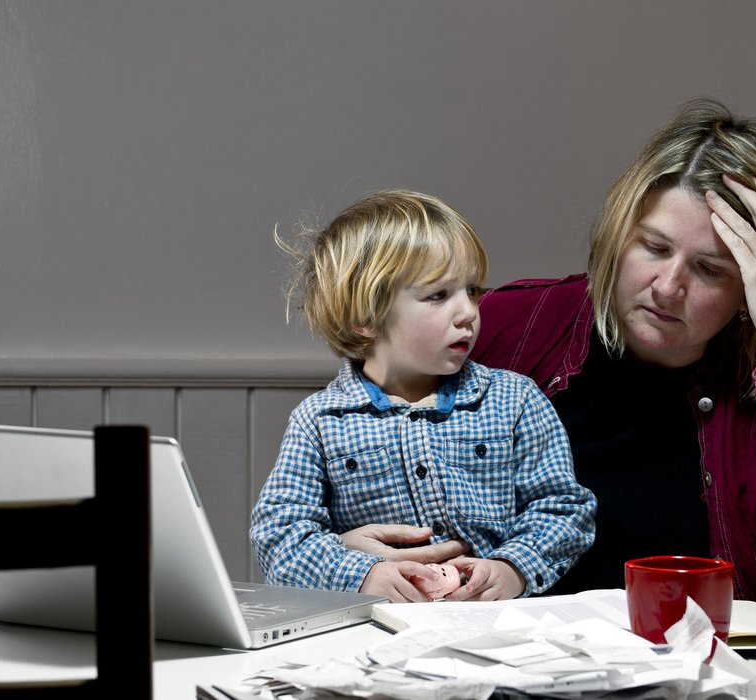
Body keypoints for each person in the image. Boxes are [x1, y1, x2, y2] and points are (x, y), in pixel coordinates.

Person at [469, 99, 756, 606]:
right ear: (619, 234)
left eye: (710, 270)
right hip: (515, 658)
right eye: (655, 248)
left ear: (755, 284)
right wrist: (344, 542)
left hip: (710, 665)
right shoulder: (511, 327)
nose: (667, 288)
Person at [249, 190, 596, 603]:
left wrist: (514, 567)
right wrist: (364, 574)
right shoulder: (320, 420)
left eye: (472, 290)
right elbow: (280, 534)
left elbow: (564, 508)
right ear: (365, 317)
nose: (468, 312)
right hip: (373, 630)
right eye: (438, 295)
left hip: (496, 626)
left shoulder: (515, 400)